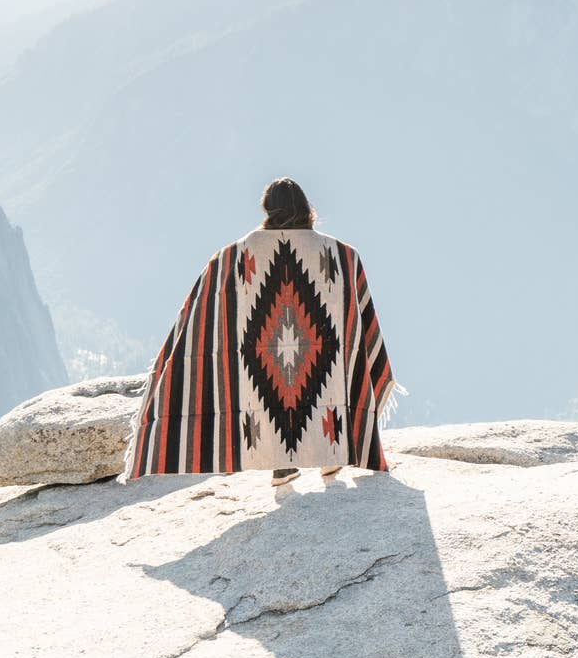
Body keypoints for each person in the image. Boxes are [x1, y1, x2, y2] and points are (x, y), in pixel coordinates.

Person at [123, 177, 397, 486]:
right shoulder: (342, 256)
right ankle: (332, 451)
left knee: (262, 381)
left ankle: (281, 464)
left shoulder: (232, 257)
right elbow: (358, 325)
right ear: (307, 209)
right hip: (322, 350)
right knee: (330, 362)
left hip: (260, 354)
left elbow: (203, 310)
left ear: (267, 209)